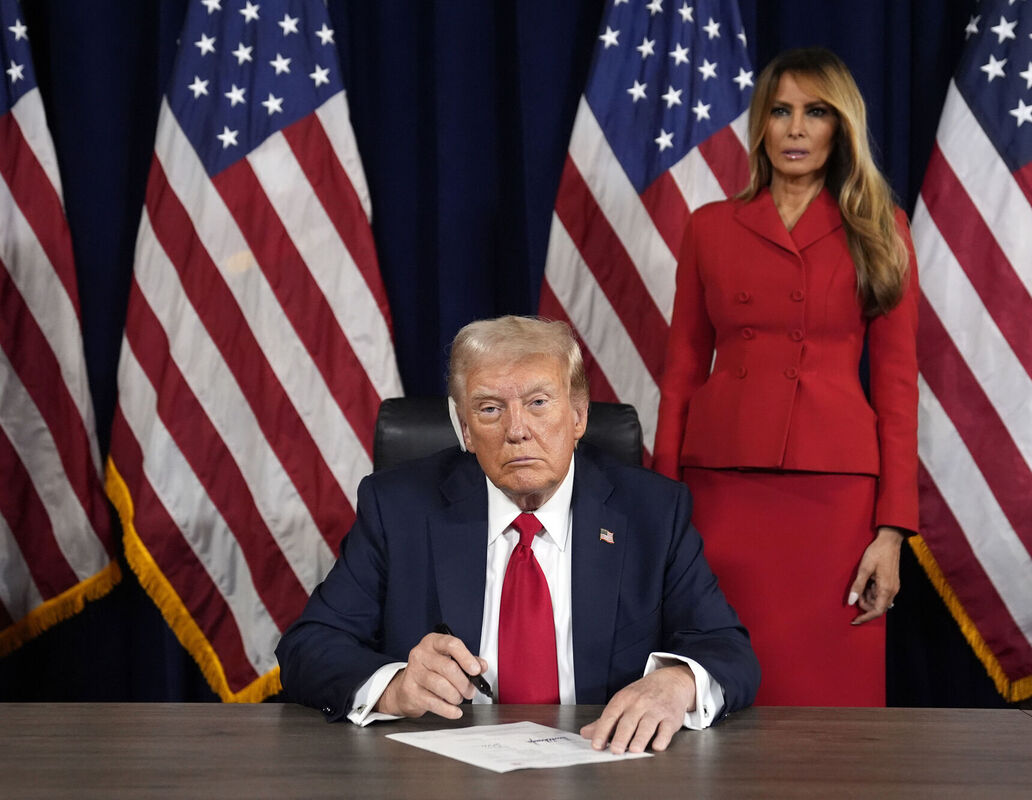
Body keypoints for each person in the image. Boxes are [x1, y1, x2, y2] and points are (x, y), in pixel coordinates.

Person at [277, 315, 759, 754]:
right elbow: (308, 647)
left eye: (538, 403)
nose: (517, 430)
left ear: (578, 417)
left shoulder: (652, 512)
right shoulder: (399, 508)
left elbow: (728, 650)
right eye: (489, 409)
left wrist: (677, 683)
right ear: (465, 429)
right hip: (444, 774)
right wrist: (393, 685)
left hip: (605, 764)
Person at [652, 47, 918, 706]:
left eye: (816, 112)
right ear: (761, 127)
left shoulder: (882, 228)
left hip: (835, 497)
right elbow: (682, 369)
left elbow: (897, 384)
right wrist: (662, 504)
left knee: (831, 691)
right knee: (717, 677)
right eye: (781, 111)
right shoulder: (710, 227)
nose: (797, 129)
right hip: (722, 487)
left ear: (840, 128)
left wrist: (892, 532)